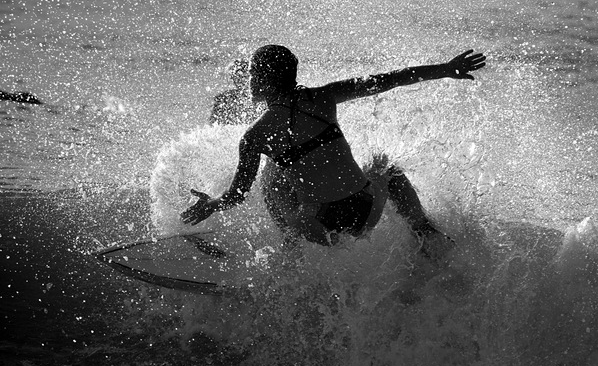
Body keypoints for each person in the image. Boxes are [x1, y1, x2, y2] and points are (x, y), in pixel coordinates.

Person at [181, 45, 486, 252]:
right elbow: (389, 80)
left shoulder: (254, 136)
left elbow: (236, 195)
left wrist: (211, 204)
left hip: (318, 228)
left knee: (271, 176)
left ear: (262, 80)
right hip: (365, 215)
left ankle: (291, 251)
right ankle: (422, 230)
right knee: (387, 170)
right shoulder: (323, 98)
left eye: (251, 75)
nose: (247, 82)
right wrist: (446, 69)